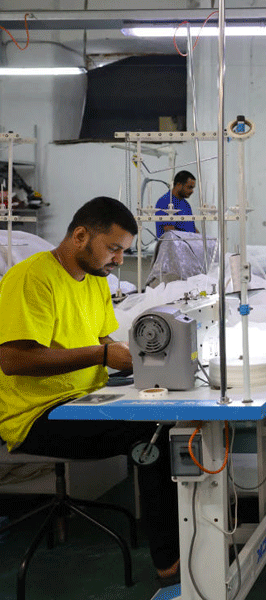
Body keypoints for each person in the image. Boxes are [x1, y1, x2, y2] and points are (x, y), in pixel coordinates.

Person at [0, 197, 180, 586]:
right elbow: (14, 360)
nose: (119, 260)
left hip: (85, 400)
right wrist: (102, 355)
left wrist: (142, 361)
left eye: (124, 251)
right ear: (81, 235)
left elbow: (101, 339)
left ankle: (197, 536)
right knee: (153, 436)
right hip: (38, 415)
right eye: (113, 248)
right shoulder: (32, 278)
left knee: (175, 416)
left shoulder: (95, 279)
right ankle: (171, 563)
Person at [155, 170, 197, 237]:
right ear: (178, 185)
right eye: (189, 187)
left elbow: (192, 228)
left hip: (188, 242)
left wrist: (202, 239)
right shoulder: (165, 202)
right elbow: (170, 231)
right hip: (174, 243)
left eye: (193, 188)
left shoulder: (186, 204)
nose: (192, 191)